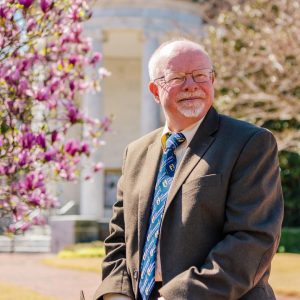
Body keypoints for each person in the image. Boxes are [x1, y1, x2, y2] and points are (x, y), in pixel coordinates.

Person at [93, 39, 284, 300]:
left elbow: (252, 240)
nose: (191, 86)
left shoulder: (249, 143)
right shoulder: (135, 152)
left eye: (200, 75)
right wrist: (118, 294)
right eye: (178, 77)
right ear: (154, 90)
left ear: (213, 80)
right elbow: (120, 238)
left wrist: (177, 296)